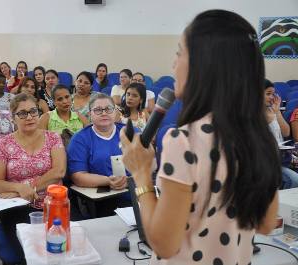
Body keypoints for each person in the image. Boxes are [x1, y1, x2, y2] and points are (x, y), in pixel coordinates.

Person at [119, 9, 280, 265]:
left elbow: (164, 244)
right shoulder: (259, 136)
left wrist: (140, 173)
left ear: (204, 65)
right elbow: (266, 224)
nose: (173, 64)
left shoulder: (184, 141)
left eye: (179, 52)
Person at [0, 93, 66, 260]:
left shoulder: (53, 138)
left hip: (53, 203)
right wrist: (18, 189)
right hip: (17, 206)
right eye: (22, 113)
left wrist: (28, 188)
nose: (29, 117)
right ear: (13, 117)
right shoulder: (4, 144)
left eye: (33, 111)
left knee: (59, 249)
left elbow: (58, 171)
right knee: (24, 254)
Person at [67, 93, 131, 217]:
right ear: (90, 114)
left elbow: (147, 165)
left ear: (115, 111)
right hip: (101, 198)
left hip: (134, 191)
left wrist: (129, 181)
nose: (104, 113)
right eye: (97, 110)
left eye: (108, 109)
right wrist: (109, 181)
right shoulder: (80, 139)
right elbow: (78, 176)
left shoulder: (130, 132)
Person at [264, 79, 298, 188]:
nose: (272, 97)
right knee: (294, 180)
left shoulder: (272, 111)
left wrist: (277, 112)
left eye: (273, 94)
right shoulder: (251, 114)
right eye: (268, 94)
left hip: (280, 159)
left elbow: (286, 132)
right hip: (264, 162)